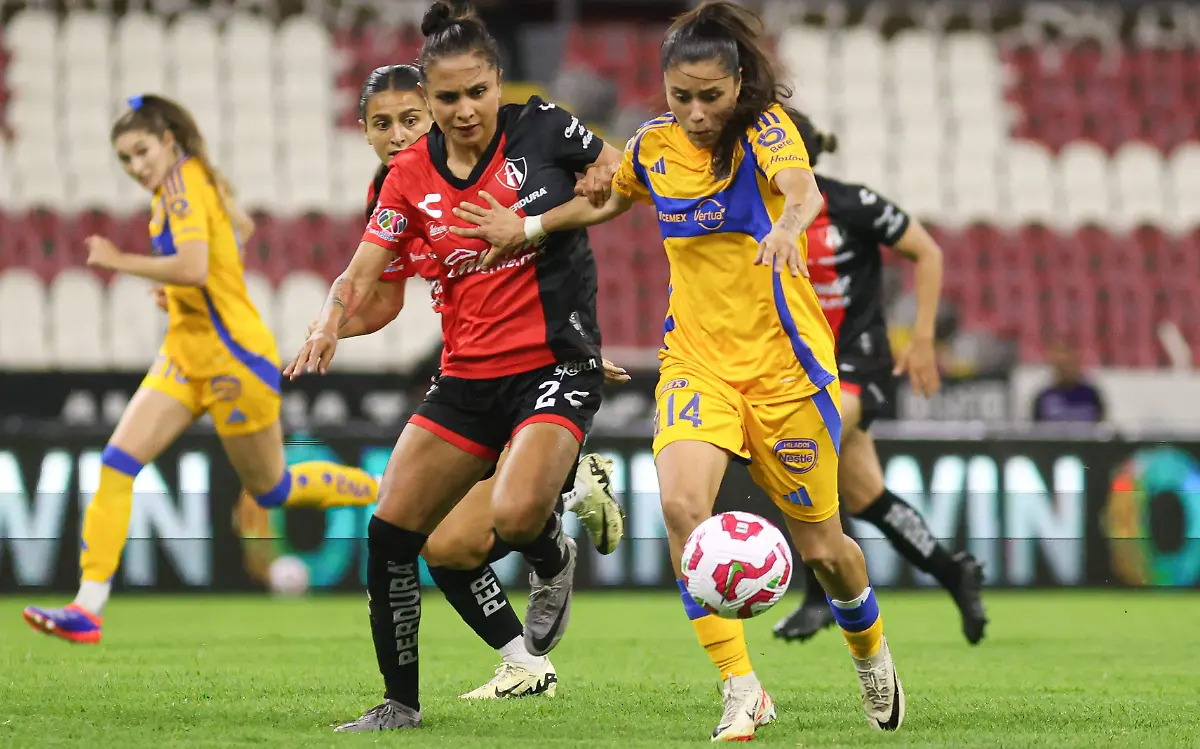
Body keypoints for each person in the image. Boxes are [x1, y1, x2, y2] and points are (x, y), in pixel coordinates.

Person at [451, 1, 906, 738]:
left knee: (825, 549)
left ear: (738, 86)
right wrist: (527, 226)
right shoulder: (654, 145)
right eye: (680, 97)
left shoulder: (765, 132)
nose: (695, 113)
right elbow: (604, 200)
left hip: (786, 373)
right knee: (681, 509)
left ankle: (871, 652)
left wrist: (789, 227)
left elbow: (803, 191)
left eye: (710, 97)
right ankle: (741, 685)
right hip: (697, 366)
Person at [287, 1, 624, 731]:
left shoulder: (543, 126)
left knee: (510, 510)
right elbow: (363, 271)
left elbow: (621, 182)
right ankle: (401, 702)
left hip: (554, 363)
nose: (465, 109)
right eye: (447, 97)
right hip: (468, 376)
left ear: (497, 82)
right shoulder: (408, 174)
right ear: (429, 101)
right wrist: (327, 322)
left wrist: (533, 223)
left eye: (477, 92)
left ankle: (550, 554)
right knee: (394, 531)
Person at [21, 95, 382, 644]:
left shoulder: (185, 184)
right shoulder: (179, 188)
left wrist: (121, 262)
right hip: (184, 354)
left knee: (272, 490)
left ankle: (378, 488)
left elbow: (193, 265)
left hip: (233, 360)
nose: (136, 166)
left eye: (141, 151)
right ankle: (87, 607)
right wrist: (177, 291)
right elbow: (217, 253)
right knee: (117, 463)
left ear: (169, 140)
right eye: (125, 159)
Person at [769, 108, 989, 646]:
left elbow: (926, 251)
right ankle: (952, 570)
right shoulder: (760, 216)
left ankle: (820, 595)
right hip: (798, 366)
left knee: (812, 438)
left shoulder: (850, 203)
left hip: (855, 362)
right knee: (866, 496)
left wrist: (920, 341)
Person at [1032, 338, 1105, 423]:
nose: (1065, 369)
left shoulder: (1091, 395)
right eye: (1061, 365)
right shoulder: (1043, 397)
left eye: (1068, 364)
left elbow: (1100, 427)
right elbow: (1036, 430)